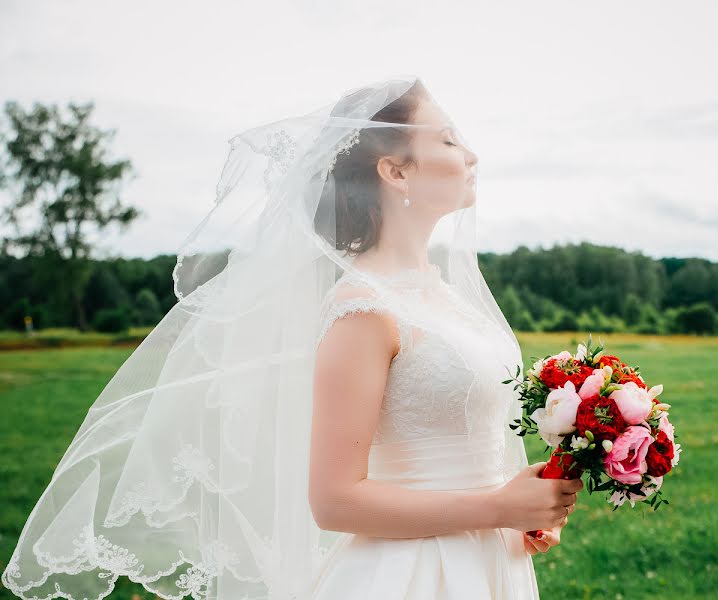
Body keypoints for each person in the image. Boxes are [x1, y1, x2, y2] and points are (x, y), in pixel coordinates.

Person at [1, 76, 581, 600]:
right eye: (451, 140)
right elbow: (335, 500)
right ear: (395, 171)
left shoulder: (444, 293)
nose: (472, 155)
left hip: (489, 563)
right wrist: (494, 506)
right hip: (413, 575)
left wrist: (524, 509)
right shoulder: (363, 306)